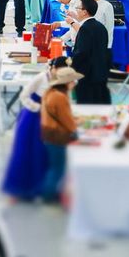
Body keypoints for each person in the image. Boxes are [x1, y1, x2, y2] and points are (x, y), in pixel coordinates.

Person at [1, 57, 68, 201]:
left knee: (44, 154)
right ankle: (22, 189)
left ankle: (42, 189)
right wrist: (39, 108)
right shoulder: (41, 78)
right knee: (28, 152)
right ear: (53, 68)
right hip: (32, 119)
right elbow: (23, 95)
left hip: (50, 120)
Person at [40, 68, 82, 202]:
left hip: (48, 133)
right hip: (57, 136)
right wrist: (79, 124)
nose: (75, 83)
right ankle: (48, 196)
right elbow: (67, 121)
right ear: (67, 82)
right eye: (73, 80)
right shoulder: (60, 97)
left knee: (53, 167)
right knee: (58, 169)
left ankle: (49, 192)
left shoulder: (50, 92)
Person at [70, 0, 112, 104]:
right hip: (101, 73)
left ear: (84, 12)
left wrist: (71, 68)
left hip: (87, 76)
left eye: (78, 8)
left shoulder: (85, 29)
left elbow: (81, 53)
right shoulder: (101, 27)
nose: (76, 10)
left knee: (87, 108)